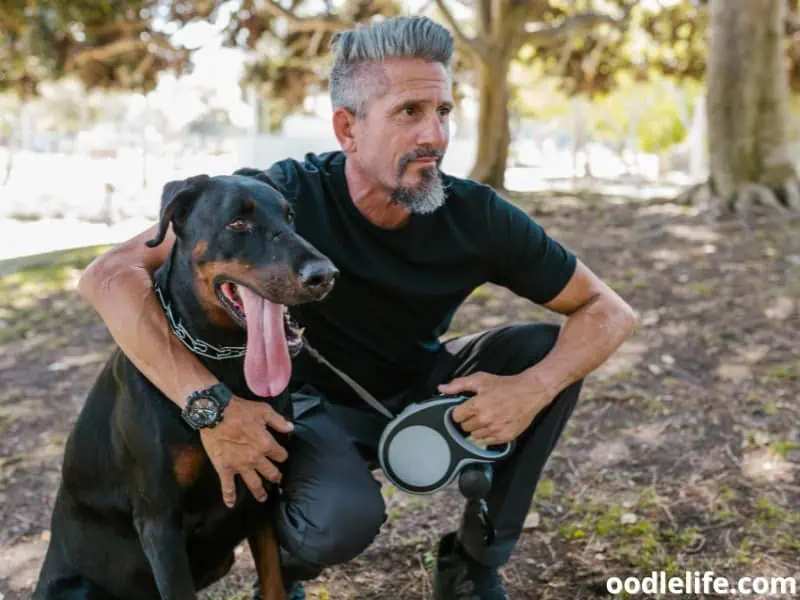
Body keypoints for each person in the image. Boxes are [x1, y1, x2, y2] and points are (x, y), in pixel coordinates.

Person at [78, 16, 637, 600]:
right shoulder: (276, 198)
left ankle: (474, 564)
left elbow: (610, 310)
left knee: (545, 353)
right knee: (339, 520)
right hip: (305, 409)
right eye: (409, 112)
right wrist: (209, 405)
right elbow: (108, 277)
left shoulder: (477, 215)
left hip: (420, 386)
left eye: (443, 112)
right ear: (347, 127)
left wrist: (534, 387)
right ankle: (284, 572)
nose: (435, 136)